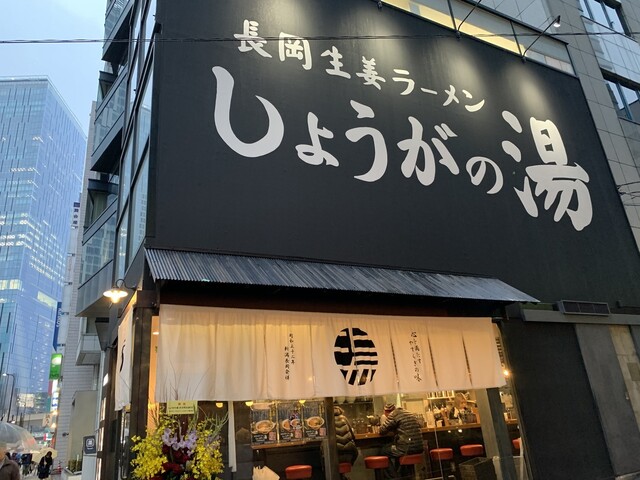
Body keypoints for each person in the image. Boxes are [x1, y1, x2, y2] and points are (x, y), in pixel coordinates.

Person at [378, 403, 424, 479]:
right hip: (419, 447)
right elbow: (420, 425)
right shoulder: (409, 413)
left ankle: (395, 477)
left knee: (383, 451)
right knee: (396, 452)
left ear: (386, 412)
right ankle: (405, 477)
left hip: (406, 449)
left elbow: (382, 431)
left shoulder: (393, 414)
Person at [334, 406, 358, 474]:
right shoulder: (344, 418)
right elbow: (353, 435)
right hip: (350, 455)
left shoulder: (329, 420)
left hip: (335, 456)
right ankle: (343, 476)